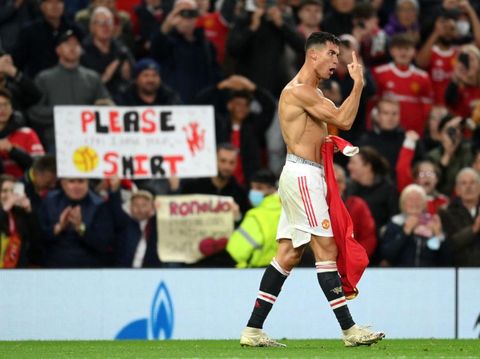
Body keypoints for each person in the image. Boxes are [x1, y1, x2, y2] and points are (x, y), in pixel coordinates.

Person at [239, 31, 384, 348]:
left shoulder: (315, 96)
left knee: (288, 254)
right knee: (326, 250)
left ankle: (252, 330)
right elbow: (344, 119)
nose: (337, 61)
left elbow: (329, 130)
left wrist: (332, 145)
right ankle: (349, 330)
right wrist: (358, 84)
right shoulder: (300, 92)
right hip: (303, 176)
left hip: (303, 173)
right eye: (332, 53)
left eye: (338, 54)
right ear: (313, 55)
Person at [226, 169, 281, 268]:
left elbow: (236, 251)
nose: (254, 192)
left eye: (259, 188)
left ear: (272, 189)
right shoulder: (288, 211)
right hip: (286, 271)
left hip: (255, 271)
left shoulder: (255, 217)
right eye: (253, 187)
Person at [439, 167, 480, 266]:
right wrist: (474, 229)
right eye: (464, 183)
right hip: (459, 272)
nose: (468, 187)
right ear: (457, 190)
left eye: (472, 183)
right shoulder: (446, 213)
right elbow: (451, 244)